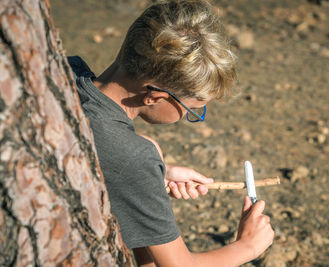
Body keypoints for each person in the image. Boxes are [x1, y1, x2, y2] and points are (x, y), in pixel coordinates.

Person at [68, 0, 274, 266]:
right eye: (193, 110)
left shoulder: (67, 71)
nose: (190, 117)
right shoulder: (133, 157)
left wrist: (153, 176)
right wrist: (247, 246)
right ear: (155, 97)